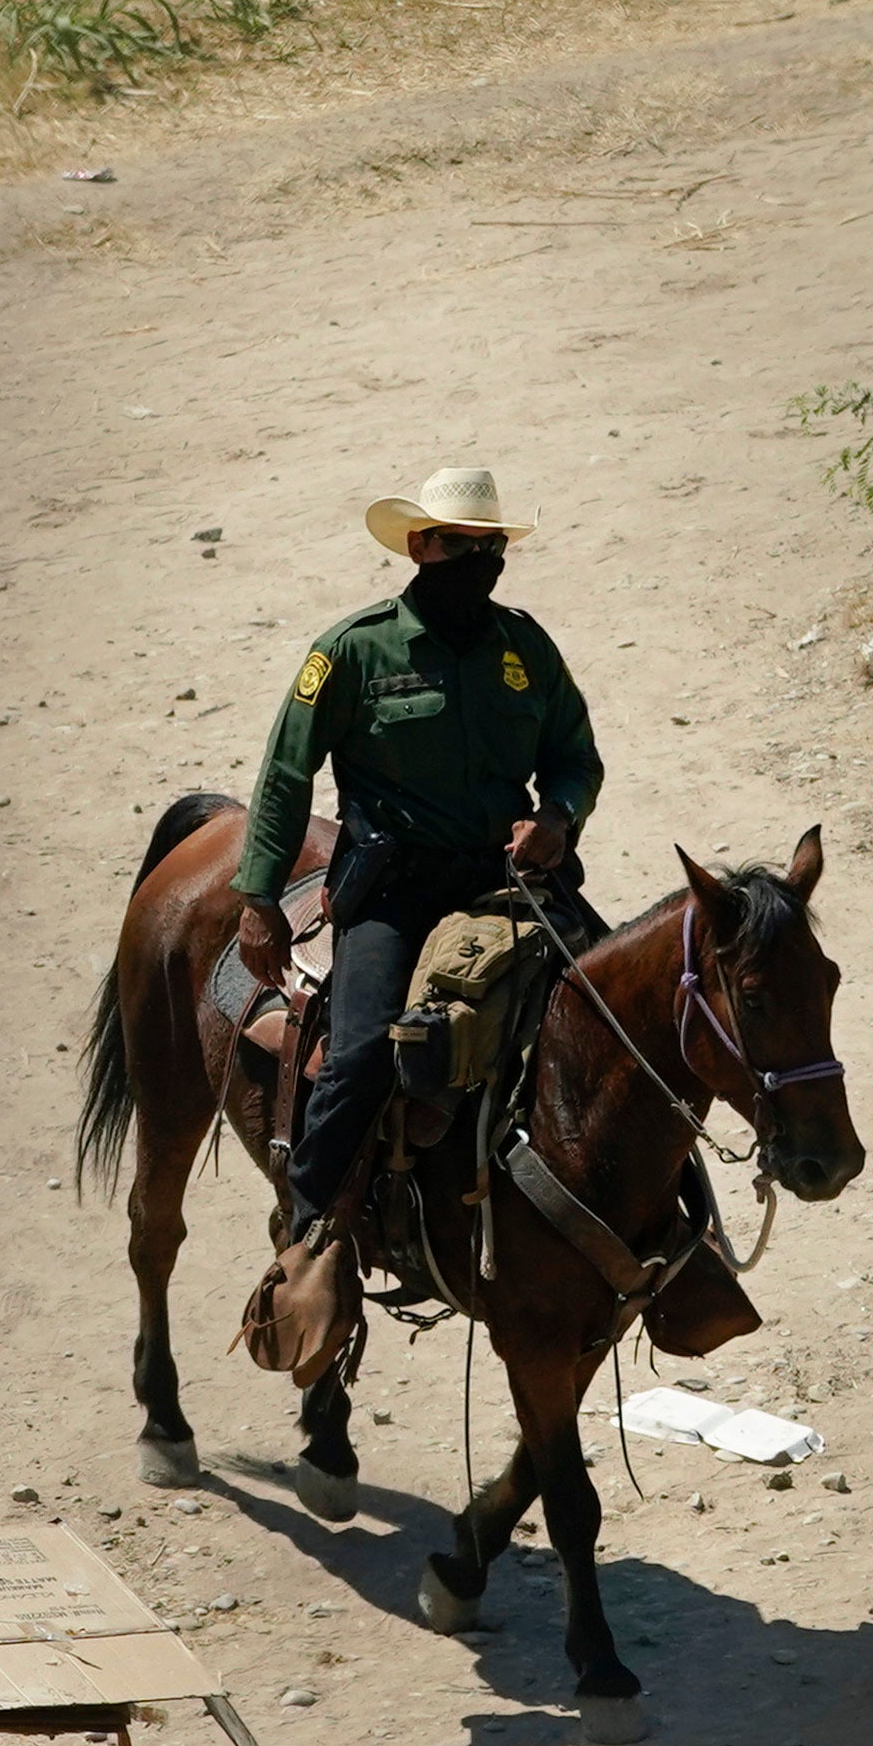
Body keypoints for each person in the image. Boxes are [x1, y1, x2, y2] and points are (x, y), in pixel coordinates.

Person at [233, 463, 605, 1246]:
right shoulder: (352, 652)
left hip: (508, 884)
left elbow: (575, 755)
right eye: (460, 546)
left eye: (491, 546)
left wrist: (558, 817)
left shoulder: (526, 647)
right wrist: (259, 897)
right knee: (365, 1054)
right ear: (419, 546)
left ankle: (667, 1226)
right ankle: (308, 1234)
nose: (479, 561)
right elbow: (285, 773)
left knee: (619, 1013)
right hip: (395, 894)